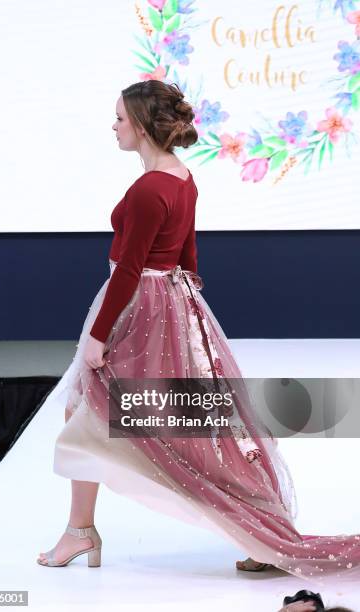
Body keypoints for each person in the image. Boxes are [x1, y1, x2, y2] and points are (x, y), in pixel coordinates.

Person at [36, 80, 360, 583]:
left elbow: (128, 269)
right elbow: (187, 253)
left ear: (141, 126)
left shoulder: (150, 188)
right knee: (183, 422)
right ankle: (90, 529)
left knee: (118, 414)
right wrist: (186, 305)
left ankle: (84, 531)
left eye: (120, 119)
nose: (115, 127)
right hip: (169, 304)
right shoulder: (180, 177)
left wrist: (99, 336)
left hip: (141, 308)